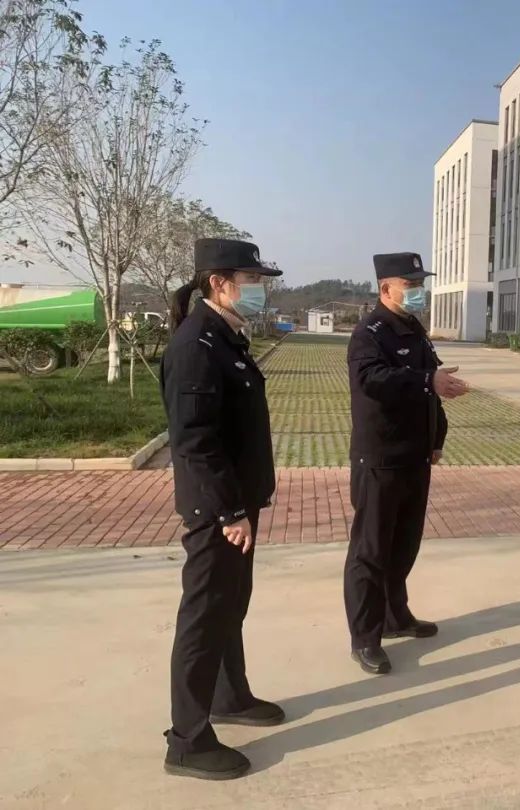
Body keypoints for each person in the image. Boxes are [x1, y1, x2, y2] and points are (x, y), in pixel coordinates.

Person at [160, 238, 285, 780]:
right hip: (216, 510)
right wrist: (229, 511)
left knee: (230, 606)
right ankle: (187, 740)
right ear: (219, 282)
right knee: (204, 617)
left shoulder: (225, 336)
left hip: (236, 502)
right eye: (252, 279)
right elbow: (194, 441)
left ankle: (229, 696)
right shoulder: (196, 344)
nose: (259, 289)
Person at [345, 252, 469, 675]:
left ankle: (396, 617)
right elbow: (370, 381)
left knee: (404, 544)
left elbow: (430, 391)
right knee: (370, 552)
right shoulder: (369, 333)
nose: (419, 291)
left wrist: (437, 438)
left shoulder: (414, 330)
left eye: (420, 284)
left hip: (416, 456)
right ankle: (365, 637)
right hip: (381, 458)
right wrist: (426, 379)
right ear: (386, 288)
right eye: (411, 284)